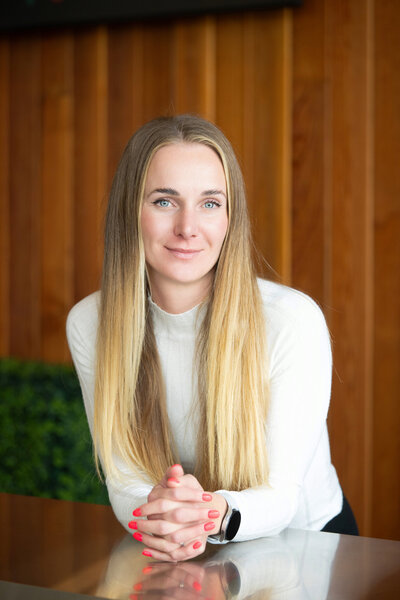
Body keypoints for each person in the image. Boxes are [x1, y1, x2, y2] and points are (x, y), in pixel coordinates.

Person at [67, 114, 357, 563]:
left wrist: (202, 516)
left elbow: (280, 495)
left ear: (229, 218)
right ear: (131, 211)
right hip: (185, 547)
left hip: (308, 547)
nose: (188, 227)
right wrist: (171, 517)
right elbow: (125, 483)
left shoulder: (292, 321)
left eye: (209, 203)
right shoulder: (90, 323)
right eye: (165, 201)